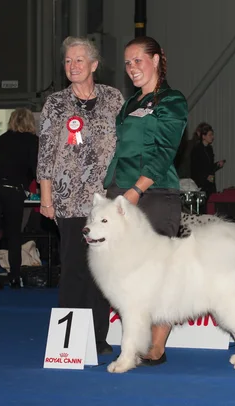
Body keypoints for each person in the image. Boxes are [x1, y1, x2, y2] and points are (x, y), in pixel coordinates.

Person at [103, 36, 188, 366]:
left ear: (156, 60)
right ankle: (132, 341)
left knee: (160, 273)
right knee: (125, 274)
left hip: (153, 193)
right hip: (120, 193)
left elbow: (165, 151)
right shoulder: (129, 103)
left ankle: (157, 345)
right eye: (127, 62)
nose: (132, 67)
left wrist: (136, 190)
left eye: (138, 60)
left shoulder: (172, 100)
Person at [37, 36, 125, 354]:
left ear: (94, 65)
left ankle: (99, 337)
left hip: (104, 201)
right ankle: (71, 342)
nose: (73, 66)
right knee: (74, 267)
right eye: (68, 61)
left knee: (102, 271)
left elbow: (124, 146)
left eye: (79, 60)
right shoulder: (56, 104)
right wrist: (46, 199)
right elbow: (45, 153)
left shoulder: (114, 99)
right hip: (68, 199)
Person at [0, 108, 38, 290]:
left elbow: (2, 161)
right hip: (12, 188)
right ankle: (14, 277)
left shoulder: (3, 138)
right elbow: (35, 168)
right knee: (13, 234)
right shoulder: (33, 140)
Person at [190, 122, 225, 196]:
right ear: (203, 136)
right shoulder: (197, 149)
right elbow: (195, 168)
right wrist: (205, 177)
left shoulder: (209, 149)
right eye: (210, 135)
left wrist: (217, 165)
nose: (212, 137)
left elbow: (210, 166)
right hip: (201, 184)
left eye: (212, 135)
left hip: (210, 183)